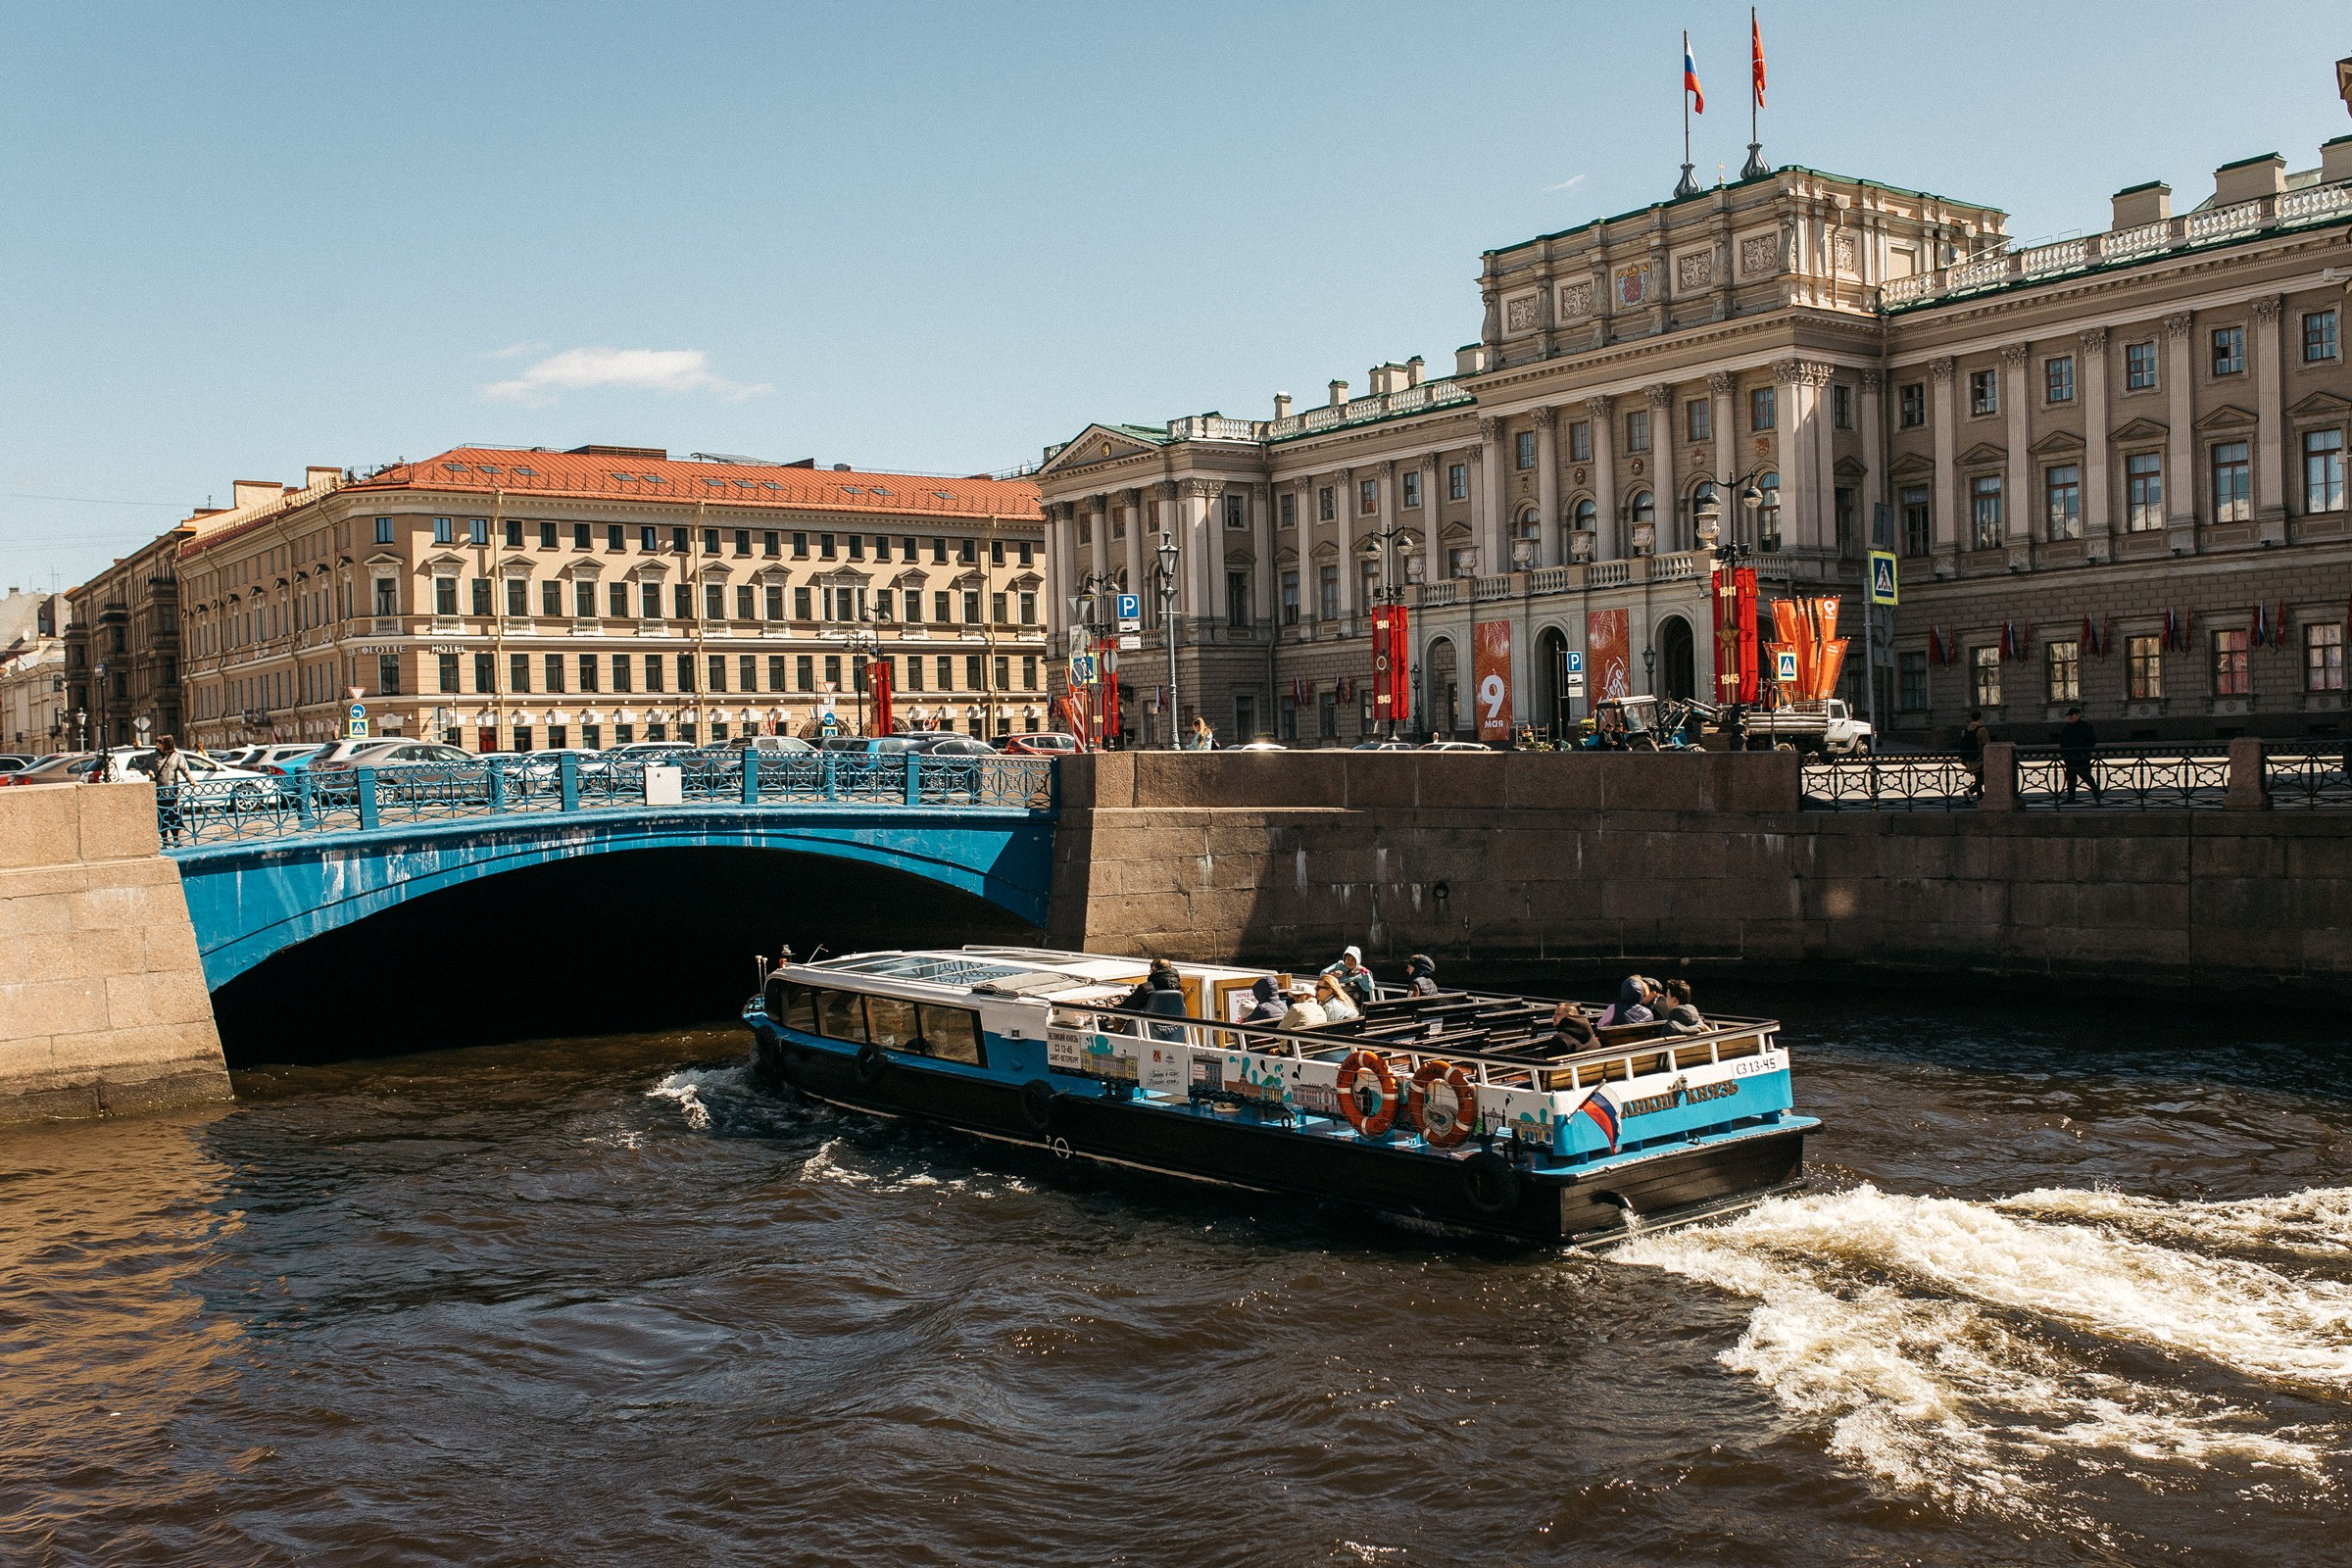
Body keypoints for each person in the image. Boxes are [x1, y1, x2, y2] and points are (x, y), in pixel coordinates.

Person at [147, 735, 193, 844]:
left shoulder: (177, 756)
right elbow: (144, 766)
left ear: (167, 743)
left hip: (172, 791)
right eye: (156, 741)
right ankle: (165, 841)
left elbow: (185, 770)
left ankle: (176, 840)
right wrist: (149, 772)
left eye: (160, 741)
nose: (157, 743)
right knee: (161, 815)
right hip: (158, 790)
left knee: (172, 815)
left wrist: (191, 781)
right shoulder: (152, 756)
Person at [2057, 707, 2101, 805]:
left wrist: (2084, 752)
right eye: (2069, 716)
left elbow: (2092, 741)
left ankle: (2096, 793)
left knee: (2086, 776)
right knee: (2071, 778)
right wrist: (2065, 754)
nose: (2070, 717)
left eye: (2072, 715)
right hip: (2070, 758)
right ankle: (2071, 797)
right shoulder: (2067, 728)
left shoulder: (2086, 726)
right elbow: (2062, 743)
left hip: (2082, 757)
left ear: (2077, 715)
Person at [1961, 710, 1989, 797]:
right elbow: (1987, 744)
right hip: (1979, 759)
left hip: (1969, 759)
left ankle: (1980, 797)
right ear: (1980, 719)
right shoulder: (1982, 730)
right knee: (1983, 779)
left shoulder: (1964, 731)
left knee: (1979, 778)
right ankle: (1969, 792)